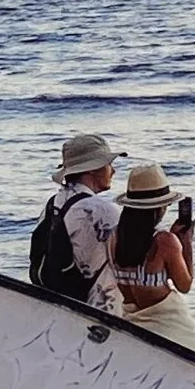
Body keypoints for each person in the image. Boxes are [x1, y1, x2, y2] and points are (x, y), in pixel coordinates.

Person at [109, 161, 195, 354]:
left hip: (134, 323)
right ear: (160, 207)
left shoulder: (114, 238)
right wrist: (186, 243)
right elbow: (185, 285)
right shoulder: (164, 241)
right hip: (170, 326)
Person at [30, 131, 122, 310]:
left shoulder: (53, 204)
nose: (114, 170)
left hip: (62, 306)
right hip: (100, 307)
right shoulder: (104, 211)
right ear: (93, 169)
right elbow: (128, 260)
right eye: (109, 164)